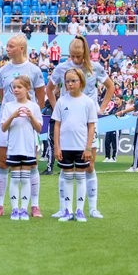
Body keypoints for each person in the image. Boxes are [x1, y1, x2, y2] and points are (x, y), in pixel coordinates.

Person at [46, 36, 114, 218]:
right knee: (65, 165)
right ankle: (63, 208)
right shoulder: (62, 68)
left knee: (89, 164)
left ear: (85, 53)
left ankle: (92, 208)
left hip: (88, 120)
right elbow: (49, 89)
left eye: (80, 56)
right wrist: (57, 110)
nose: (76, 60)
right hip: (68, 120)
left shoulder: (95, 67)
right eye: (74, 56)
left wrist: (101, 108)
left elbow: (110, 87)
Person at [0, 34, 45, 217]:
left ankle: (34, 205)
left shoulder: (34, 70)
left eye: (11, 46)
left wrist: (29, 114)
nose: (7, 48)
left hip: (27, 124)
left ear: (21, 48)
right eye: (7, 46)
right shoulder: (3, 70)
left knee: (32, 164)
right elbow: (1, 95)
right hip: (7, 121)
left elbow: (41, 98)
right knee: (2, 162)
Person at [52, 68, 98, 222]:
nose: (70, 84)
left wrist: (88, 147)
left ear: (81, 82)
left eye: (73, 81)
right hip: (65, 147)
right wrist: (57, 147)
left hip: (81, 147)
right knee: (67, 178)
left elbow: (91, 126)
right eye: (67, 81)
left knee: (80, 178)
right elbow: (57, 125)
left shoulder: (88, 102)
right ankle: (67, 210)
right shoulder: (61, 101)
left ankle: (80, 210)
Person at [0, 76, 43, 220]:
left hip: (28, 148)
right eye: (14, 87)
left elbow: (39, 128)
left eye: (19, 87)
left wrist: (31, 117)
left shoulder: (34, 106)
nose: (16, 90)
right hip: (13, 147)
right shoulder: (8, 106)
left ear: (27, 89)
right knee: (15, 178)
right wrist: (13, 116)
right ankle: (14, 209)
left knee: (25, 178)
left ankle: (24, 209)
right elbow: (4, 128)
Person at [103, 96, 123, 162]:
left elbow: (121, 117)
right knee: (107, 142)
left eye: (117, 99)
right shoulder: (114, 107)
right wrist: (106, 112)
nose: (116, 101)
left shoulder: (122, 108)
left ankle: (114, 157)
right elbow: (109, 114)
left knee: (115, 143)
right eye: (115, 100)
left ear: (121, 100)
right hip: (110, 127)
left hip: (116, 128)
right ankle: (107, 157)